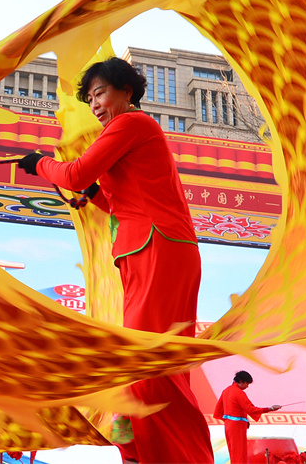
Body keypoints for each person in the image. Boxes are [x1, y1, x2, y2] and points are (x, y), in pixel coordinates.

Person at [17, 57, 213, 464]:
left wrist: (41, 164)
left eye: (101, 92)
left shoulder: (133, 123)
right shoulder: (127, 133)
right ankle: (138, 449)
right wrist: (91, 192)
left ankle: (175, 456)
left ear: (127, 91)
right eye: (90, 98)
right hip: (143, 250)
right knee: (144, 362)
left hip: (160, 246)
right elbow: (117, 202)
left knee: (151, 362)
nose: (96, 104)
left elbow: (71, 174)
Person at [213, 371, 281, 464]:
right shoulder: (239, 393)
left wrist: (228, 419)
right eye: (247, 383)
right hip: (237, 426)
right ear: (241, 381)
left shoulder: (226, 391)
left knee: (233, 452)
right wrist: (270, 408)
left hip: (228, 425)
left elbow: (218, 409)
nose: (247, 386)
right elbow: (251, 409)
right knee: (240, 452)